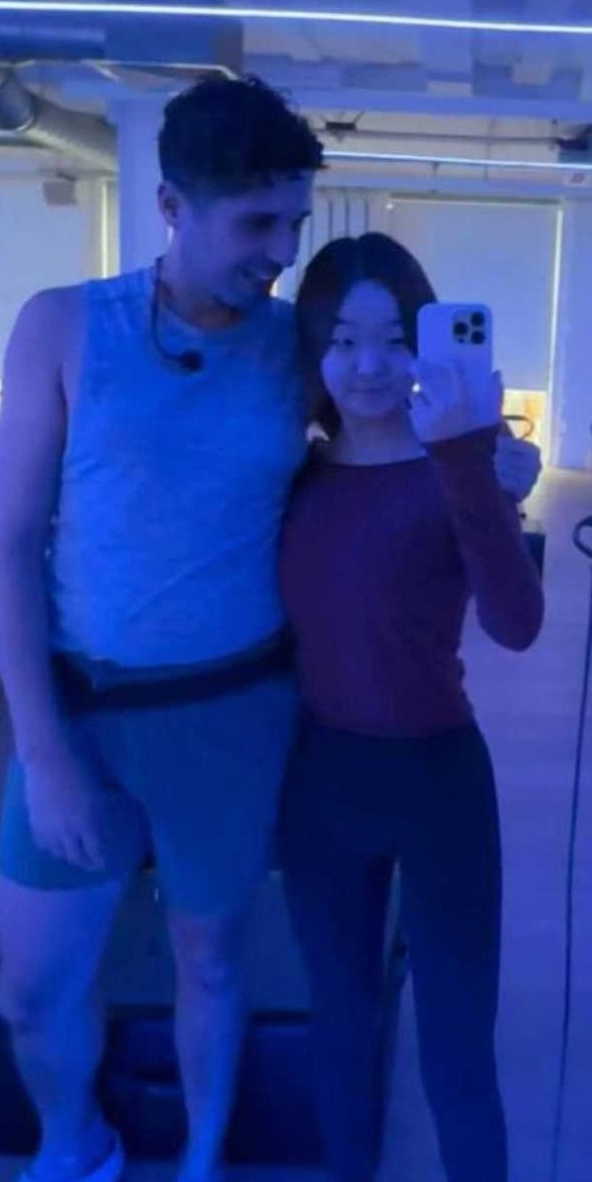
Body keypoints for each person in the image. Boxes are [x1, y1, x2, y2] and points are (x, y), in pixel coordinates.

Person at [0, 76, 541, 1182]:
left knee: (246, 975)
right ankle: (75, 1144)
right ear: (171, 206)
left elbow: (421, 481)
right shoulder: (71, 327)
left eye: (294, 223)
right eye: (256, 225)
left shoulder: (296, 343)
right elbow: (9, 545)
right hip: (114, 715)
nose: (281, 252)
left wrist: (483, 464)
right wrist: (41, 751)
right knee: (39, 991)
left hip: (258, 721)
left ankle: (200, 1157)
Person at [278, 231, 545, 1182]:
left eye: (394, 340)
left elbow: (517, 624)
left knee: (457, 1051)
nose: (369, 367)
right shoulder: (291, 477)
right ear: (315, 349)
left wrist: (473, 465)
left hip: (438, 784)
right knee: (341, 1029)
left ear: (426, 344)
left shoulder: (459, 470)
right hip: (321, 785)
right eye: (344, 341)